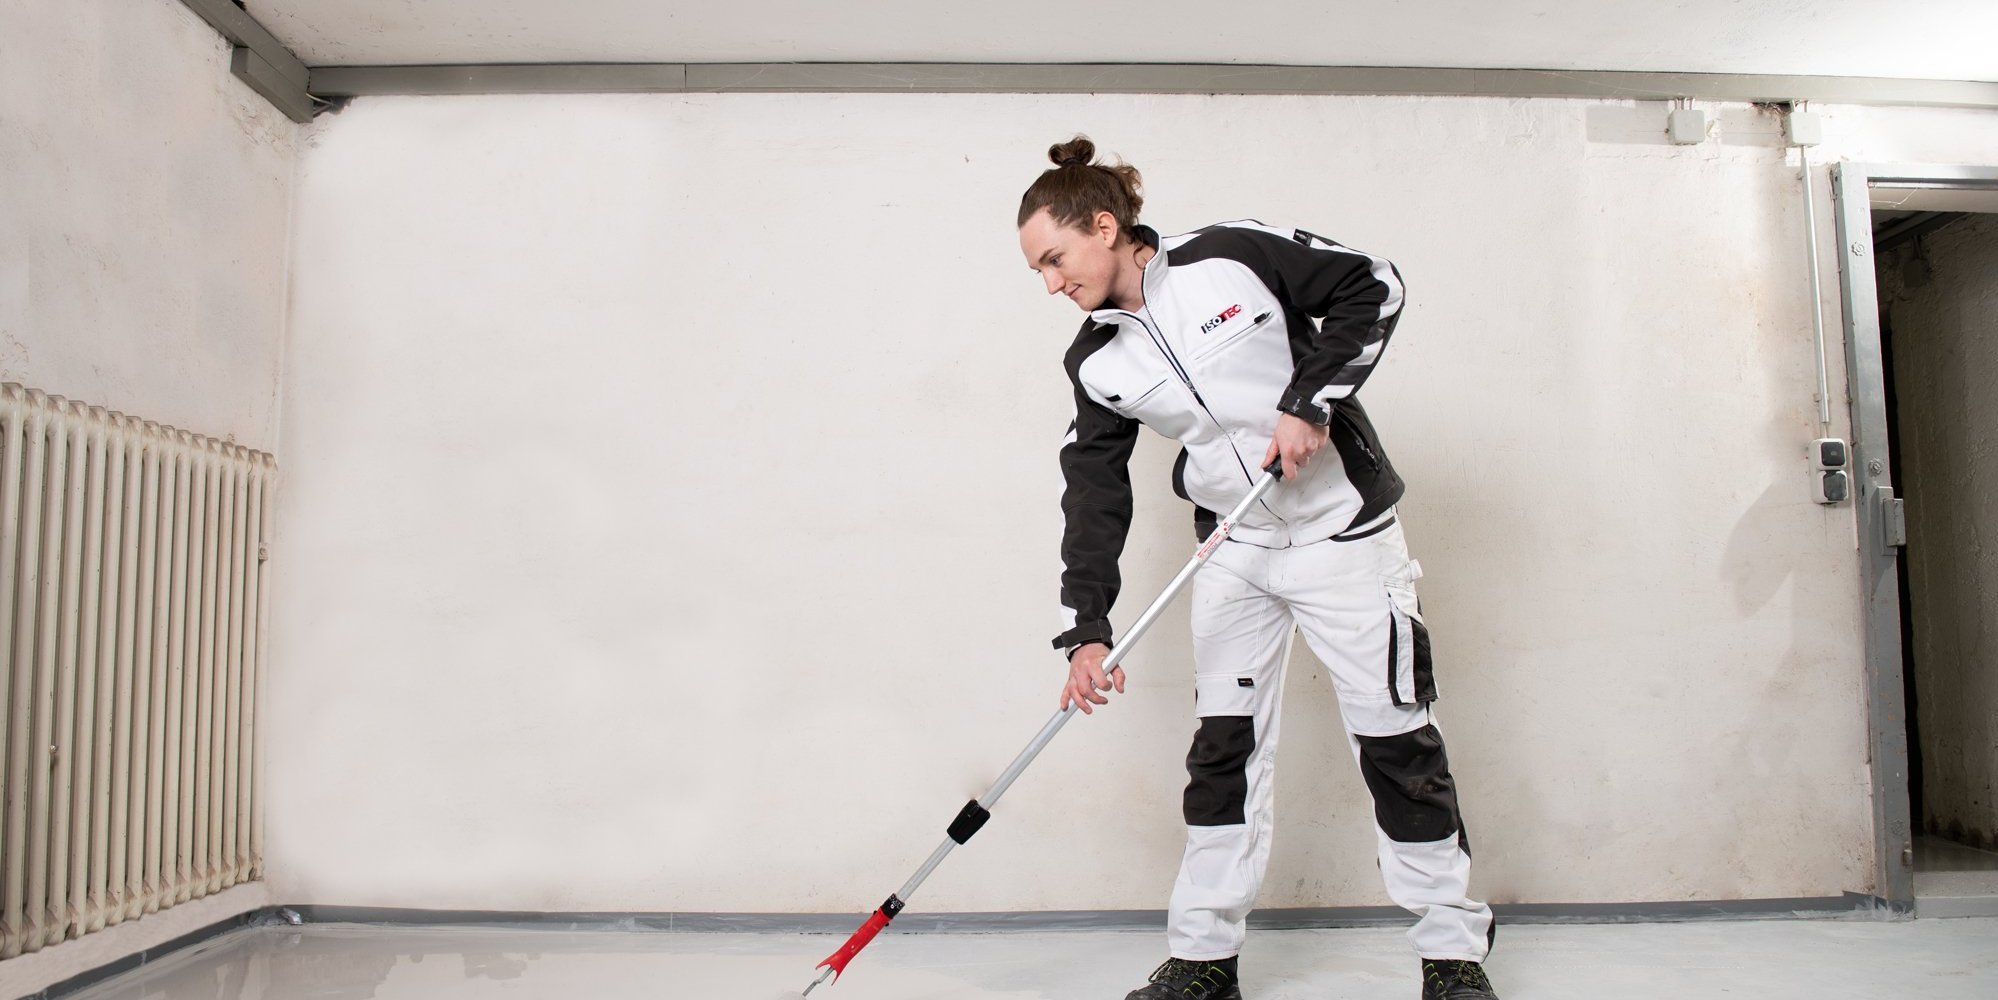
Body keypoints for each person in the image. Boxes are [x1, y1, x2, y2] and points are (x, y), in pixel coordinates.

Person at [1016, 136, 1500, 1000]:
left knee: (1396, 743)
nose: (1051, 284)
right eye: (1039, 272)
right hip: (1234, 553)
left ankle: (1452, 953)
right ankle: (1204, 957)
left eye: (1055, 259)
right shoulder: (1096, 359)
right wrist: (1086, 629)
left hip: (1341, 537)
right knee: (1224, 751)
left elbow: (1372, 283)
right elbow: (1092, 492)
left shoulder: (1228, 258)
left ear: (1104, 225)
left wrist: (1308, 401)